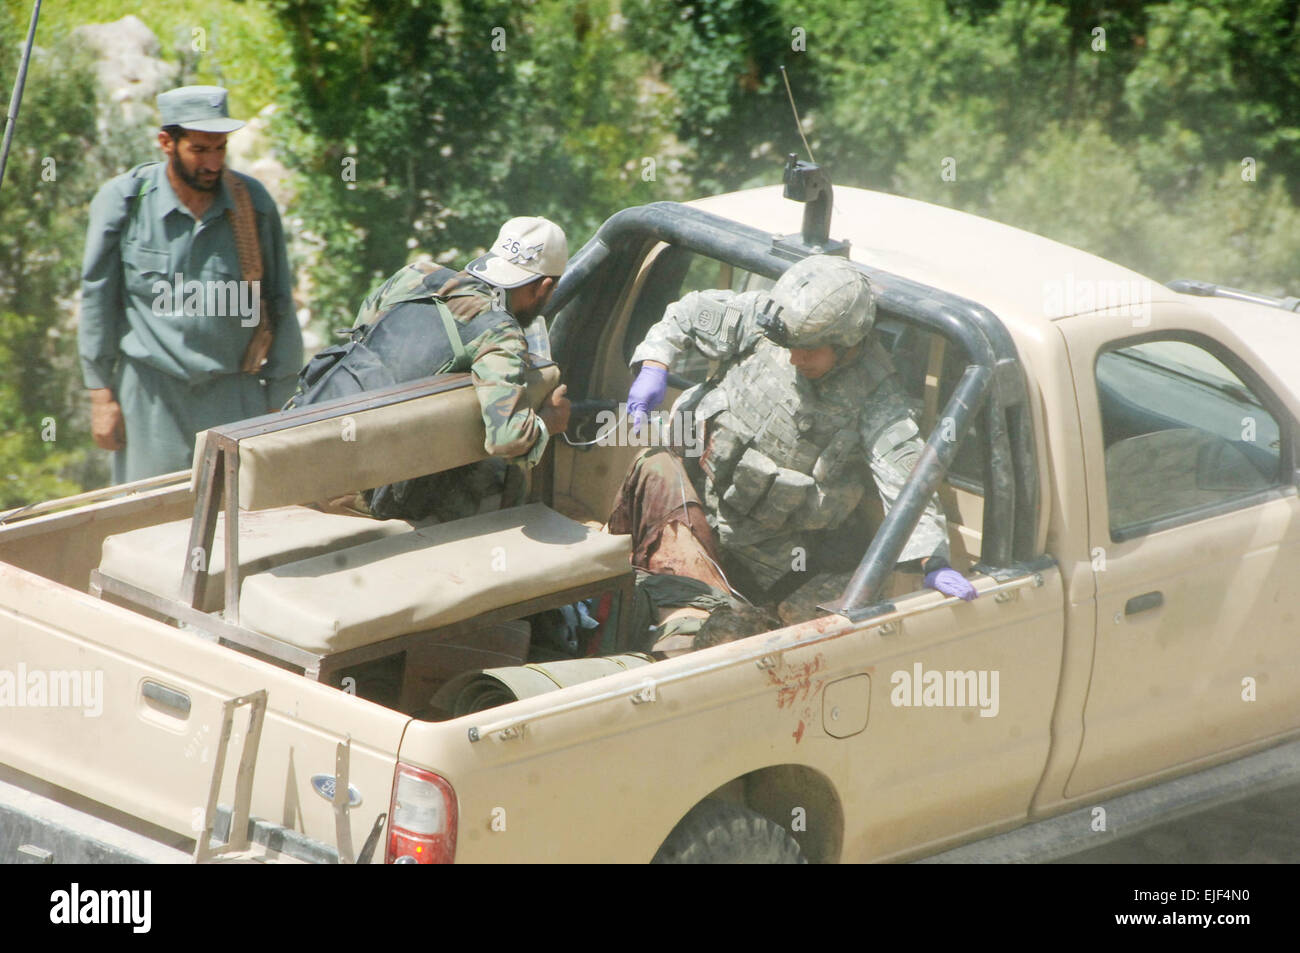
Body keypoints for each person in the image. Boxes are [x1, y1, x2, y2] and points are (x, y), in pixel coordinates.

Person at [609, 254, 978, 624]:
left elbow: (907, 481)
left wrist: (934, 561)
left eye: (809, 349)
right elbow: (688, 314)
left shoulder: (876, 395)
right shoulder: (764, 322)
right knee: (649, 482)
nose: (794, 358)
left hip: (773, 554)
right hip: (691, 501)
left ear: (847, 343)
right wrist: (655, 365)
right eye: (791, 345)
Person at [79, 85, 303, 484]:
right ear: (167, 142)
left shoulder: (252, 204)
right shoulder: (125, 201)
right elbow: (97, 296)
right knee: (145, 524)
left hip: (235, 395)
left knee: (242, 526)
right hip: (150, 398)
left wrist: (279, 400)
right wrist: (100, 396)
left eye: (220, 148)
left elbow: (280, 301)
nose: (213, 163)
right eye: (199, 150)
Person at [288, 216, 572, 522]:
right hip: (356, 492)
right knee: (503, 473)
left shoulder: (415, 274)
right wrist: (547, 422)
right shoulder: (499, 332)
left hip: (304, 451)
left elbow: (364, 335)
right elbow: (506, 439)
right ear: (544, 287)